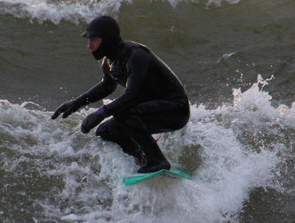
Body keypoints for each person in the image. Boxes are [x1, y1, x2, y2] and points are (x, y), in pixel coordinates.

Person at [51, 16, 190, 173]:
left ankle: (157, 160)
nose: (89, 46)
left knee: (124, 113)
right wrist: (74, 104)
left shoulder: (136, 56)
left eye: (94, 40)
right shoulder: (109, 62)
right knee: (106, 131)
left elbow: (133, 95)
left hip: (176, 110)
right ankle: (141, 160)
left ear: (107, 39)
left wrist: (100, 113)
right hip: (150, 110)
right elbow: (106, 87)